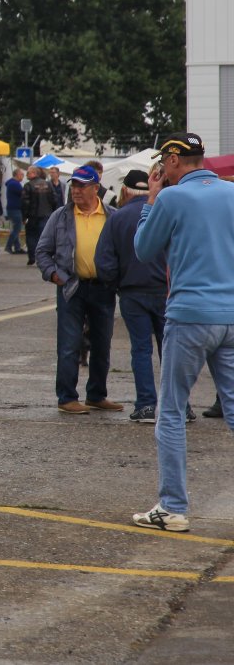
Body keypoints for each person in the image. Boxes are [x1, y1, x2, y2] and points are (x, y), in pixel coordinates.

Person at [130, 132, 234, 532]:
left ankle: (172, 507)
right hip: (230, 313)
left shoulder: (172, 198)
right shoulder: (230, 193)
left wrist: (151, 199)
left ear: (173, 160)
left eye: (164, 163)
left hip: (190, 313)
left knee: (172, 411)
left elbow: (143, 249)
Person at [34, 165, 118, 415]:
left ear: (96, 188)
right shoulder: (60, 216)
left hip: (103, 288)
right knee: (69, 344)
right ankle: (67, 397)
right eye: (74, 185)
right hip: (71, 287)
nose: (76, 190)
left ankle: (97, 395)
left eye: (82, 186)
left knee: (102, 344)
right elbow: (42, 251)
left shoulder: (112, 216)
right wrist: (53, 274)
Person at [94, 169, 167, 424]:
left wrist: (117, 284)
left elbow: (103, 261)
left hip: (132, 292)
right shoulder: (165, 214)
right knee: (171, 350)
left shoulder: (117, 218)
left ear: (124, 190)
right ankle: (180, 406)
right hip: (166, 291)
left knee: (141, 349)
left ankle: (146, 405)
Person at [22, 167, 58, 267]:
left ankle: (32, 257)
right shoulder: (48, 184)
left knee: (31, 236)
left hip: (32, 216)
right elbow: (54, 199)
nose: (26, 175)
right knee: (44, 237)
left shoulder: (28, 185)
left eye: (28, 173)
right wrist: (53, 212)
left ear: (34, 173)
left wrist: (24, 216)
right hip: (46, 215)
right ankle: (43, 258)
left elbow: (25, 202)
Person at [4, 168, 25, 255]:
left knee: (16, 227)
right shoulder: (15, 184)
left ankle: (17, 247)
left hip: (12, 208)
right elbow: (23, 193)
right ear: (17, 175)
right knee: (17, 228)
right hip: (15, 208)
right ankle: (8, 246)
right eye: (22, 174)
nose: (23, 176)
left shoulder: (12, 183)